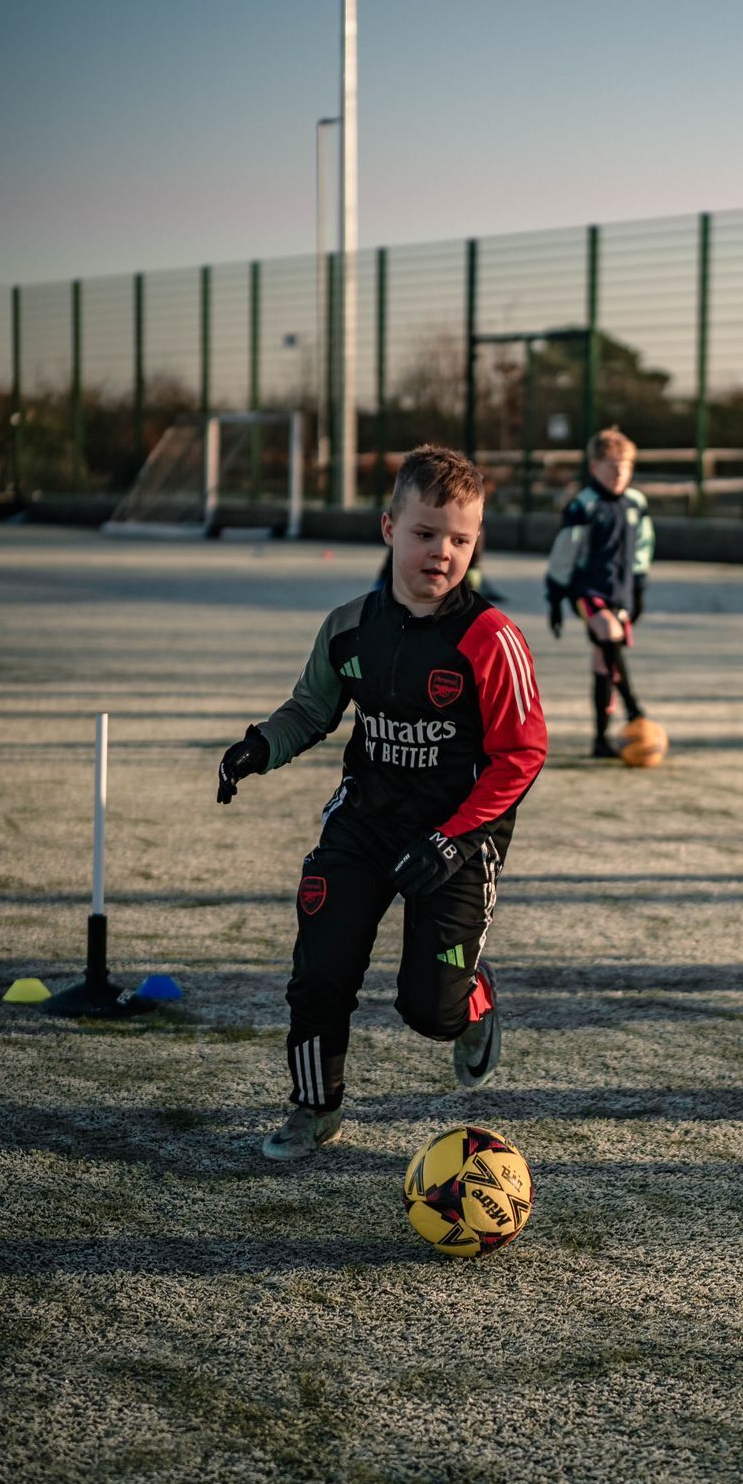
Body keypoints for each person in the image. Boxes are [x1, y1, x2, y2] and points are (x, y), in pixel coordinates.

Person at [216, 444, 548, 1165]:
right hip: (365, 821)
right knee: (320, 972)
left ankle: (471, 1005)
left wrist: (456, 839)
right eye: (427, 533)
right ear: (390, 527)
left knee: (427, 1010)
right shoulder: (348, 627)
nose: (443, 552)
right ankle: (315, 1108)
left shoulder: (492, 639)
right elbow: (310, 711)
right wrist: (258, 749)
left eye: (461, 539)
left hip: (459, 835)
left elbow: (522, 756)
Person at [545, 427, 655, 757]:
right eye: (611, 465)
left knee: (603, 663)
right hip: (586, 590)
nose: (619, 472)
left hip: (619, 592)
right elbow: (565, 552)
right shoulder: (583, 506)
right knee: (608, 634)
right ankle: (634, 708)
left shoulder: (636, 503)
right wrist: (555, 595)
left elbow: (643, 547)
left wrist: (638, 589)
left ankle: (600, 738)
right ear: (594, 467)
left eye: (625, 466)